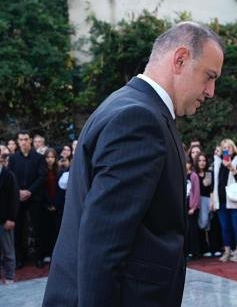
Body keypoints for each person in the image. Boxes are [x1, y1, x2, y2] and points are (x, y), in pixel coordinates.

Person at [43, 21, 224, 306]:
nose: (211, 91)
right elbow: (102, 245)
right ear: (180, 59)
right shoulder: (139, 119)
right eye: (209, 76)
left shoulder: (130, 106)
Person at [8, 130, 46, 269]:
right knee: (18, 229)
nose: (23, 142)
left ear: (30, 140)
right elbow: (11, 177)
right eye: (21, 139)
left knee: (37, 228)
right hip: (18, 198)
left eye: (25, 139)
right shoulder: (13, 158)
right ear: (18, 141)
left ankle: (39, 257)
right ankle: (19, 258)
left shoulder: (39, 158)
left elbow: (42, 177)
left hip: (34, 197)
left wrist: (29, 191)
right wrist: (18, 191)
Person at [212, 138, 237, 263]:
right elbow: (214, 182)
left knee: (236, 226)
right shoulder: (217, 162)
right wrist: (212, 199)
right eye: (224, 148)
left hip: (234, 199)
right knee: (224, 227)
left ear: (233, 148)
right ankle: (227, 251)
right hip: (221, 200)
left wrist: (231, 167)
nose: (226, 149)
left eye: (228, 147)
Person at [0, 150, 19, 284]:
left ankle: (9, 277)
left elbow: (14, 198)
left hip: (5, 220)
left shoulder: (8, 175)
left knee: (8, 251)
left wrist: (11, 218)